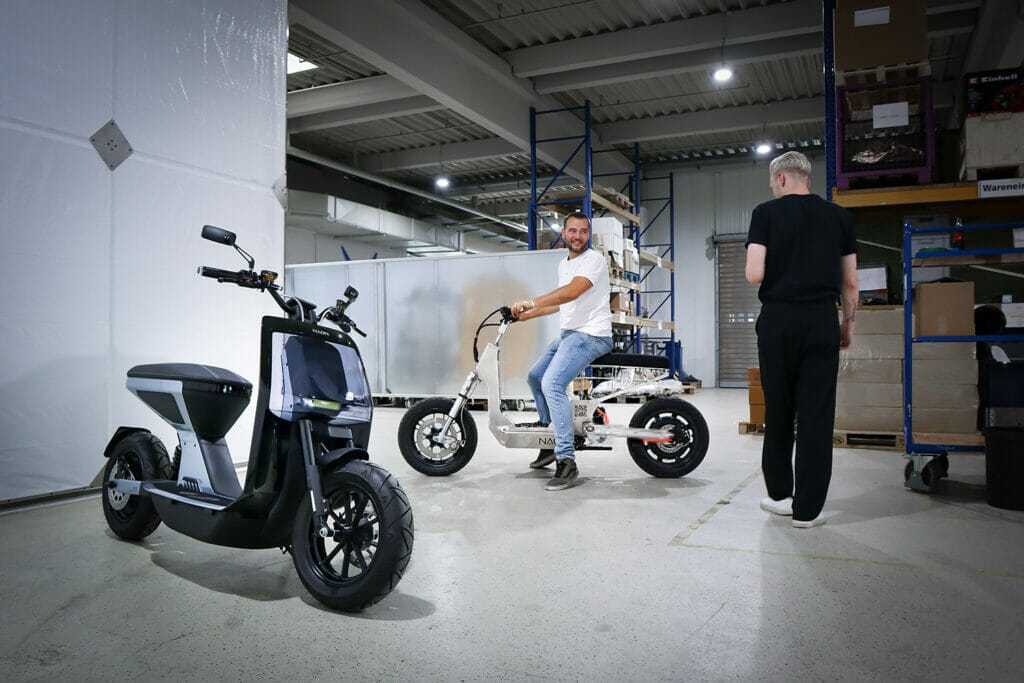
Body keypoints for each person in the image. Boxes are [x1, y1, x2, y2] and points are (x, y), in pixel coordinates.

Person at [745, 151, 858, 528]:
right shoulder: (839, 216)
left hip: (777, 322)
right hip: (820, 320)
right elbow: (851, 284)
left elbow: (753, 274)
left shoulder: (765, 213)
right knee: (816, 415)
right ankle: (807, 511)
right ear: (807, 178)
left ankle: (779, 496)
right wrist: (847, 326)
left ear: (780, 179)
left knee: (778, 410)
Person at [509, 211, 613, 491]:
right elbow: (562, 303)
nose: (577, 236)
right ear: (564, 233)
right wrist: (528, 315)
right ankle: (549, 438)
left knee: (552, 383)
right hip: (570, 335)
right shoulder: (563, 264)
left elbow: (572, 293)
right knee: (535, 376)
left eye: (582, 231)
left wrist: (530, 302)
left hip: (592, 335)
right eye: (572, 231)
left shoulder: (594, 260)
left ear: (588, 235)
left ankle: (566, 459)